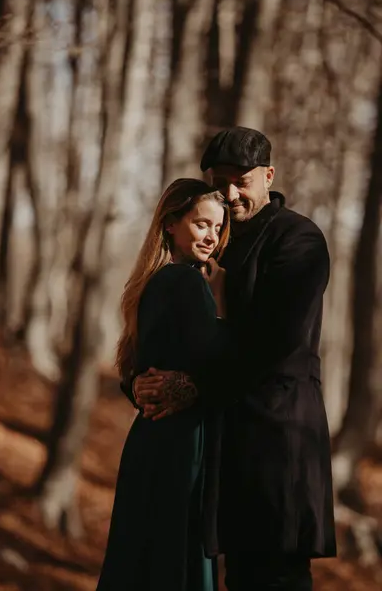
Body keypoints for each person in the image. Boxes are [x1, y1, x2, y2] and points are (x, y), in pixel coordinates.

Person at [133, 127, 337, 591]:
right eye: (220, 180)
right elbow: (166, 333)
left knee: (276, 577)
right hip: (221, 442)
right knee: (238, 577)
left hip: (280, 438)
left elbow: (276, 343)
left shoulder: (299, 241)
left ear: (268, 176)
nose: (229, 193)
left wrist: (192, 385)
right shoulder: (209, 240)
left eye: (241, 181)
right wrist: (142, 384)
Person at [96, 178, 232, 591]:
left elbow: (138, 369)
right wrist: (224, 304)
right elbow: (218, 362)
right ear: (171, 224)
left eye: (217, 227)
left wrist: (141, 386)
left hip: (149, 439)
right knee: (176, 558)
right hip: (182, 443)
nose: (211, 236)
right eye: (201, 224)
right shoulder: (190, 283)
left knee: (140, 558)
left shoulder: (151, 283)